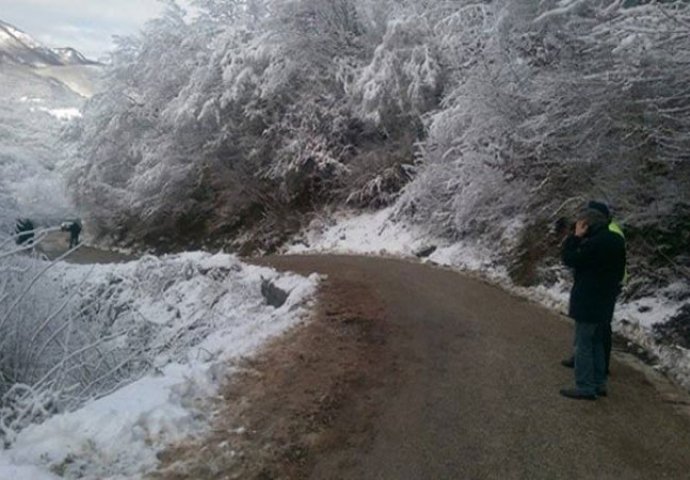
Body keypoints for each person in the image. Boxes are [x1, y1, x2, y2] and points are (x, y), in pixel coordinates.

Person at [560, 207, 626, 400]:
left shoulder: (594, 243)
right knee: (597, 341)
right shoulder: (616, 240)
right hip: (606, 299)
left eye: (582, 224)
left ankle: (585, 386)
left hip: (588, 299)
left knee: (583, 344)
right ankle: (599, 383)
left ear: (588, 224)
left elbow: (570, 259)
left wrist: (576, 237)